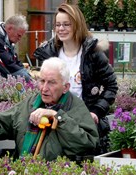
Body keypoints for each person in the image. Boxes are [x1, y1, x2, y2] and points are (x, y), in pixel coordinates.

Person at [0, 57, 99, 161]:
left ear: (65, 87)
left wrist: (57, 117)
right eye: (42, 81)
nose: (44, 88)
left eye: (52, 82)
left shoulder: (76, 107)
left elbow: (86, 145)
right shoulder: (30, 103)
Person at [34, 3, 118, 154]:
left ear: (77, 25)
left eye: (66, 24)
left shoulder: (93, 54)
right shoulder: (50, 53)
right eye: (58, 25)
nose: (61, 29)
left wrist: (96, 111)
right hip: (54, 122)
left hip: (82, 122)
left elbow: (111, 85)